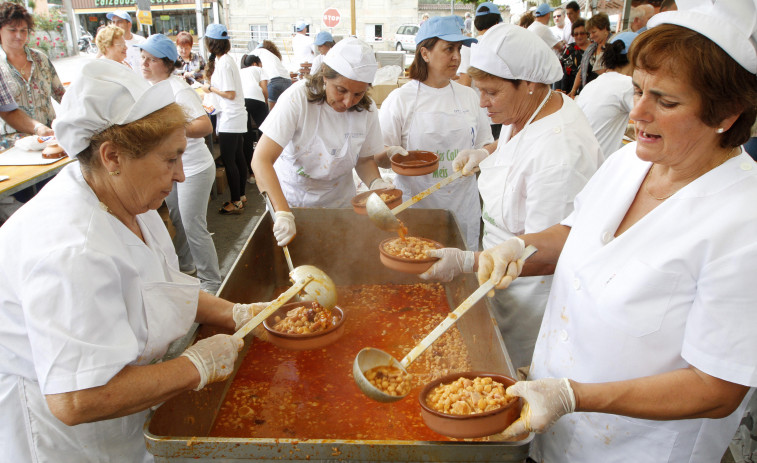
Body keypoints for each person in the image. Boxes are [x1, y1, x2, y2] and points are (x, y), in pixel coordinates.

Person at [475, 3, 757, 461]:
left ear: (727, 114)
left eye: (665, 102)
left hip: (633, 448)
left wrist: (575, 396)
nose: (637, 114)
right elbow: (578, 234)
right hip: (554, 431)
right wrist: (513, 249)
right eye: (637, 91)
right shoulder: (630, 162)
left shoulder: (744, 221)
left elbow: (716, 386)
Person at [0, 58, 271, 462]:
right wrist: (196, 364)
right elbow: (76, 399)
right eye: (169, 159)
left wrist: (239, 314)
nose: (181, 176)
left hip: (126, 411)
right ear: (112, 157)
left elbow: (158, 288)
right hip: (67, 438)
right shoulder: (71, 248)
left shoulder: (131, 201)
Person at [422, 23, 601, 369]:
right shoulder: (528, 107)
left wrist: (467, 262)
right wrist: (487, 152)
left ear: (530, 83)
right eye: (479, 90)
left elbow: (550, 250)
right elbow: (518, 145)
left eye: (491, 92)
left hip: (530, 299)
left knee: (515, 373)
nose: (482, 102)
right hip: (499, 276)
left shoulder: (561, 154)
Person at [252, 38, 394, 247]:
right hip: (293, 202)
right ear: (325, 77)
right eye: (341, 90)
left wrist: (376, 183)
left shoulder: (367, 109)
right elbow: (261, 160)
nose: (348, 102)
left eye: (358, 93)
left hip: (340, 205)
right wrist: (283, 213)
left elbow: (363, 161)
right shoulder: (297, 99)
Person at [379, 16, 494, 252]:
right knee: (418, 267)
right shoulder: (400, 100)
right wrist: (391, 153)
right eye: (448, 49)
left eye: (459, 49)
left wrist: (481, 154)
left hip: (462, 205)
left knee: (461, 274)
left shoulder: (469, 96)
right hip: (417, 206)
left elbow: (489, 145)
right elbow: (378, 158)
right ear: (425, 53)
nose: (457, 57)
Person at [138, 34, 223, 293]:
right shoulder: (151, 88)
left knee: (193, 224)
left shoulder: (179, 89)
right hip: (170, 167)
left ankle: (211, 281)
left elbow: (204, 125)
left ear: (166, 63)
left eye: (150, 60)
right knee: (177, 218)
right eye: (142, 58)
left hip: (195, 168)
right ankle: (185, 267)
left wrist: (168, 127)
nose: (143, 64)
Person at [0, 2, 62, 146]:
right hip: (13, 143)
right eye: (12, 30)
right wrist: (37, 128)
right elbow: (6, 111)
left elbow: (61, 94)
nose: (19, 35)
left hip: (49, 137)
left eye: (24, 30)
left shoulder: (41, 59)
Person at [202, 23, 248, 215]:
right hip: (235, 115)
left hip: (231, 116)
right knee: (238, 158)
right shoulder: (225, 60)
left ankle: (236, 200)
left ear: (210, 43)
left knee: (230, 160)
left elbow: (229, 93)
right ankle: (242, 196)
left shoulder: (224, 63)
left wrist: (209, 89)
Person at [576, 32, 637, 160]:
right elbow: (649, 123)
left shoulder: (595, 83)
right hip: (596, 167)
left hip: (580, 159)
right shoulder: (627, 85)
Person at [569, 12, 612, 98]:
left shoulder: (613, 47)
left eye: (594, 32)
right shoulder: (591, 48)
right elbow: (581, 71)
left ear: (604, 29)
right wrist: (573, 91)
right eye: (589, 33)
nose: (591, 36)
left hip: (605, 94)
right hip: (588, 93)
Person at [240, 53, 269, 180]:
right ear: (256, 63)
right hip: (257, 98)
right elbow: (264, 89)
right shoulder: (259, 69)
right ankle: (266, 166)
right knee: (264, 132)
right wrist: (265, 102)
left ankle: (251, 173)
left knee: (247, 136)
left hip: (242, 100)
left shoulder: (240, 71)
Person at [252, 40, 293, 110]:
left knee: (272, 114)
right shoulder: (274, 56)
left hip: (273, 81)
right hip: (288, 81)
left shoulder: (256, 52)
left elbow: (246, 63)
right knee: (286, 111)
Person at [558, 18, 589, 95]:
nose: (579, 36)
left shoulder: (594, 49)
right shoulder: (569, 49)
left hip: (587, 89)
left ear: (587, 33)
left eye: (582, 33)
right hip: (568, 88)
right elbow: (559, 69)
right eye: (576, 34)